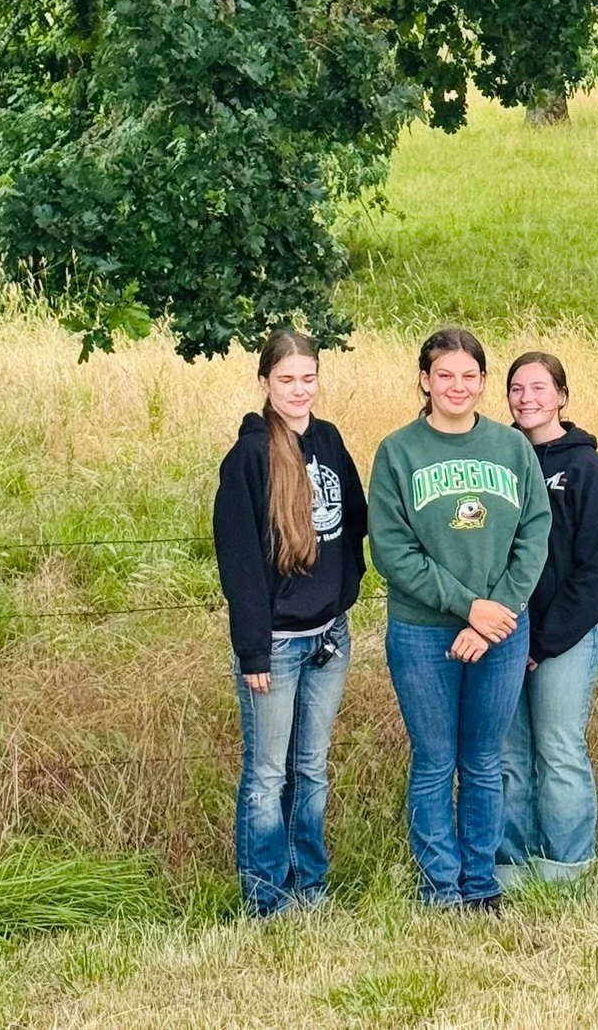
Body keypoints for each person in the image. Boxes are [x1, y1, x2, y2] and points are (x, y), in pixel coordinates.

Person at [368, 327, 553, 909]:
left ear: (482, 382)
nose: (457, 386)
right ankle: (440, 886)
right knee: (434, 759)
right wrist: (466, 607)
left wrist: (495, 612)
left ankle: (481, 882)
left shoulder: (512, 448)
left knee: (483, 759)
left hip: (500, 629)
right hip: (424, 632)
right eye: (444, 375)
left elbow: (534, 532)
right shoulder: (399, 452)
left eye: (469, 376)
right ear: (424, 381)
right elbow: (392, 550)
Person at [212, 329, 367, 915]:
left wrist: (343, 588)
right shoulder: (249, 457)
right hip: (274, 645)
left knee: (312, 768)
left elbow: (355, 518)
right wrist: (252, 649)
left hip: (328, 634)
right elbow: (240, 562)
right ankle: (267, 895)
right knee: (267, 774)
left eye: (308, 378)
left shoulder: (328, 440)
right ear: (264, 384)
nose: (298, 390)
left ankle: (310, 885)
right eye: (286, 380)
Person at [495, 351, 598, 891]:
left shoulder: (586, 470)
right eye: (517, 389)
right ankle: (512, 865)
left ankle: (567, 869)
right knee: (506, 752)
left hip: (564, 639)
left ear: (562, 397)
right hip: (500, 634)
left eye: (539, 388)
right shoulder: (499, 460)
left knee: (558, 750)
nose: (527, 398)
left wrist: (545, 639)